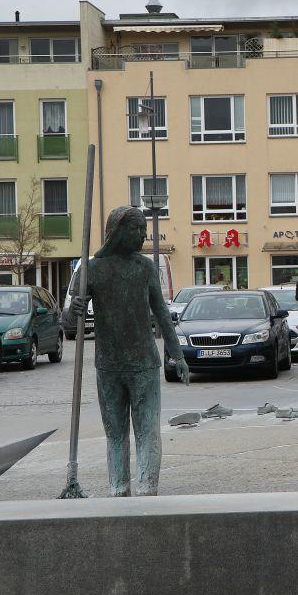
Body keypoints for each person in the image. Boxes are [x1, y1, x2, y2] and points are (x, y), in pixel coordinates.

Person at [66, 206, 189, 496]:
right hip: (108, 365)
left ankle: (147, 491)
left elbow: (161, 313)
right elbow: (70, 320)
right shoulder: (90, 269)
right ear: (118, 231)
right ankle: (119, 490)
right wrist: (76, 308)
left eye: (143, 229)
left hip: (145, 363)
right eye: (136, 229)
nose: (142, 235)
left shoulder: (145, 268)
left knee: (147, 431)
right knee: (116, 434)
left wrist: (178, 355)